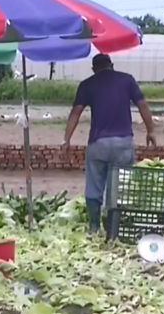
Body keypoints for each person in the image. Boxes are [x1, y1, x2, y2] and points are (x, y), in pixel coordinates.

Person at [61, 53, 157, 233]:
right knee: (119, 187)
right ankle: (114, 229)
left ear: (93, 69)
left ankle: (94, 227)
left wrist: (66, 140)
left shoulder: (87, 84)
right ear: (111, 65)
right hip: (123, 143)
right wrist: (150, 131)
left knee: (94, 186)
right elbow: (143, 105)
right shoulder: (127, 80)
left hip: (98, 144)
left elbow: (76, 112)